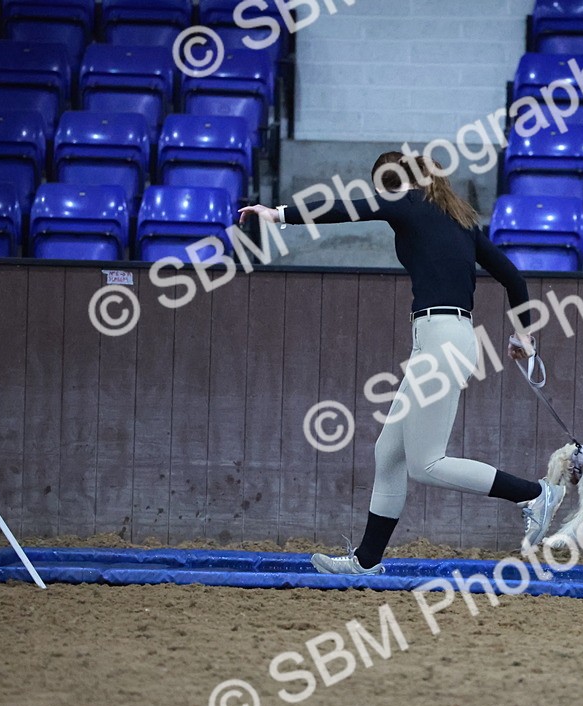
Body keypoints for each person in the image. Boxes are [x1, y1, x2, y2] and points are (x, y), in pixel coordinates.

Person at [238, 152, 564, 575]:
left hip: (441, 339)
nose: (379, 193)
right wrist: (524, 338)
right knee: (388, 454)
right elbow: (513, 278)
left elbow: (348, 209)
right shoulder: (461, 223)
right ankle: (367, 561)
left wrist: (279, 213)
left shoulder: (406, 202)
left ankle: (534, 494)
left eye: (383, 183)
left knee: (426, 463)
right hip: (441, 338)